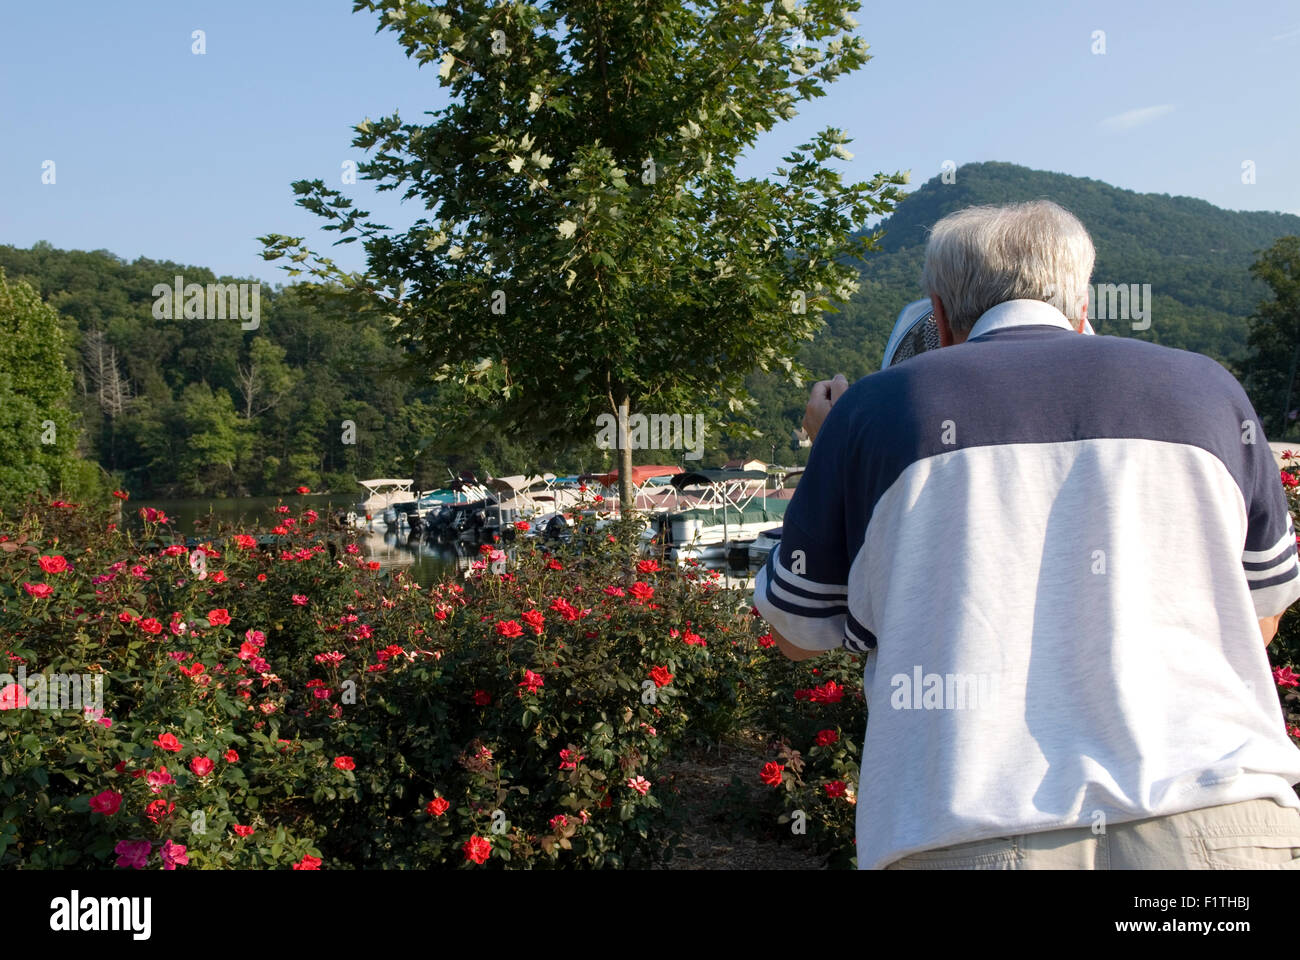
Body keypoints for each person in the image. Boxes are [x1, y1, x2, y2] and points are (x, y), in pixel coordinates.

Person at [754, 199, 1300, 870]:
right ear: (1082, 305)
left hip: (974, 827)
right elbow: (1262, 618)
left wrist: (828, 445)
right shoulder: (1209, 390)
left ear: (942, 317)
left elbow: (797, 635)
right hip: (1219, 820)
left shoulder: (874, 410)